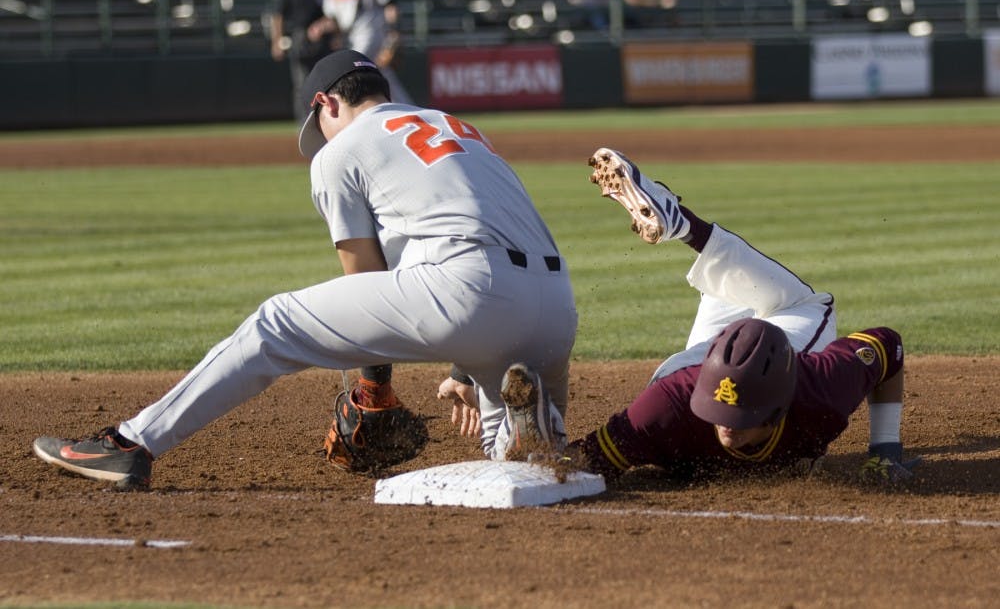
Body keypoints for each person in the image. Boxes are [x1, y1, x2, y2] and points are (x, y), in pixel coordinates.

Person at [32, 50, 578, 489]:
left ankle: (130, 444)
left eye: (318, 123)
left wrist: (373, 388)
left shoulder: (341, 151)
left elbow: (363, 274)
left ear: (325, 102)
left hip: (467, 292)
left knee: (275, 324)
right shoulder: (457, 127)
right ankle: (531, 434)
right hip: (555, 308)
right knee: (512, 467)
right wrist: (464, 366)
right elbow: (471, 230)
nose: (320, 139)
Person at [562, 147, 918, 484]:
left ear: (780, 410)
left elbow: (888, 346)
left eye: (740, 417)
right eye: (720, 412)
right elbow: (579, 461)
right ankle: (682, 224)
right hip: (683, 380)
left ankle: (683, 224)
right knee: (803, 307)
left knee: (728, 289)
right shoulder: (665, 409)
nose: (727, 426)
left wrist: (885, 453)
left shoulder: (817, 391)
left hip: (694, 374)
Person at [308, 0, 412, 104]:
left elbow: (390, 4)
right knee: (381, 77)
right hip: (349, 37)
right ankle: (408, 112)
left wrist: (394, 32)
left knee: (353, 70)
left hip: (371, 34)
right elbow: (332, 18)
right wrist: (321, 26)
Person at [270, 0, 329, 122]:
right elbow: (278, 15)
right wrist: (277, 41)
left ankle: (325, 120)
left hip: (321, 37)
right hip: (299, 37)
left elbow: (332, 9)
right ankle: (305, 122)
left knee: (324, 81)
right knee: (301, 85)